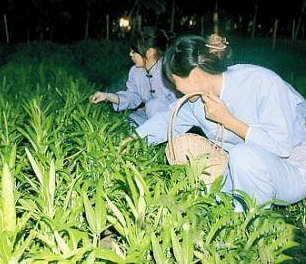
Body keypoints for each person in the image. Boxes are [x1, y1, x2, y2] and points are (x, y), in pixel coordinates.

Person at [122, 34, 306, 210]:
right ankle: (231, 205)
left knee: (243, 156)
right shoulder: (198, 101)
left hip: (294, 168)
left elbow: (282, 147)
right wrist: (132, 140)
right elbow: (168, 120)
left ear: (194, 76)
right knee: (202, 187)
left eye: (175, 81)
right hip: (247, 169)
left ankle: (250, 221)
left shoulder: (262, 82)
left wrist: (228, 120)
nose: (176, 88)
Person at [89, 27, 177, 127]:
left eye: (134, 51)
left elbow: (177, 101)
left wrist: (150, 107)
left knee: (153, 106)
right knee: (129, 122)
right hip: (151, 115)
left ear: (150, 52)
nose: (130, 54)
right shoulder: (135, 71)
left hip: (173, 118)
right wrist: (106, 96)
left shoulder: (168, 69)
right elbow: (132, 97)